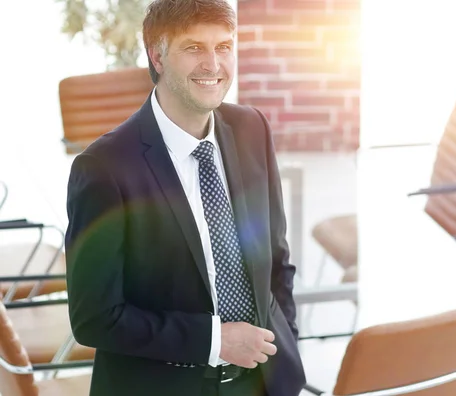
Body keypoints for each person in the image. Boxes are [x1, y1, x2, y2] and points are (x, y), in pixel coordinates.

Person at [64, 0, 306, 395]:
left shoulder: (252, 129)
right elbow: (95, 317)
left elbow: (276, 262)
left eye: (224, 46)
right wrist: (214, 341)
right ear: (157, 57)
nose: (213, 64)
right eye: (194, 48)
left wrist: (285, 342)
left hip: (264, 382)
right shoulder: (104, 169)